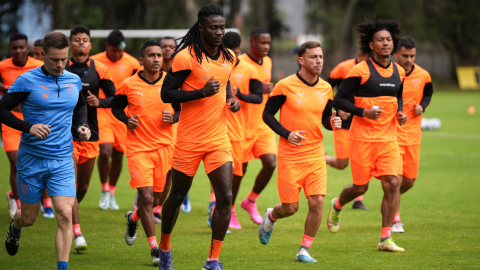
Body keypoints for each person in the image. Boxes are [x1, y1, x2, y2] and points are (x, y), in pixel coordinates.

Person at [159, 4, 240, 269]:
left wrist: (230, 99)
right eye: (214, 27)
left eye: (222, 27)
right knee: (177, 195)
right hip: (189, 141)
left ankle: (213, 259)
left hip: (218, 138)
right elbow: (166, 94)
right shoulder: (186, 58)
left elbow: (224, 78)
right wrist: (200, 93)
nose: (219, 32)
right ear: (201, 27)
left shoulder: (228, 57)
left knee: (225, 197)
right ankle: (165, 249)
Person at [1, 31, 90, 270]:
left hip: (62, 158)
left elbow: (81, 105)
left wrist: (82, 125)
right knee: (28, 218)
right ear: (42, 56)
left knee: (64, 213)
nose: (60, 65)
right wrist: (28, 127)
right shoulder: (26, 81)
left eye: (63, 59)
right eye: (54, 60)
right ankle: (15, 227)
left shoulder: (73, 80)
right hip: (32, 160)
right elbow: (2, 109)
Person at [326, 18, 408, 252]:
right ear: (371, 45)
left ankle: (385, 238)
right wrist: (363, 112)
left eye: (388, 40)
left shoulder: (399, 71)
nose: (385, 43)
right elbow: (339, 99)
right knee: (360, 188)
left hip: (388, 139)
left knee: (392, 182)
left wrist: (400, 112)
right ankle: (338, 204)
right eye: (380, 40)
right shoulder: (359, 71)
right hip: (362, 139)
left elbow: (398, 96)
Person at [260, 41, 341, 262]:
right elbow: (267, 115)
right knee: (290, 208)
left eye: (321, 57)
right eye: (314, 57)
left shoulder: (326, 88)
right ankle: (271, 215)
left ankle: (304, 250)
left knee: (317, 202)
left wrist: (333, 122)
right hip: (290, 154)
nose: (319, 61)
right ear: (302, 60)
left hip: (315, 153)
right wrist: (287, 134)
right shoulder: (285, 85)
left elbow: (324, 118)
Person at [111, 40, 179, 265]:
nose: (157, 59)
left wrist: (174, 117)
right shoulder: (128, 84)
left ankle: (133, 218)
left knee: (157, 200)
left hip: (165, 148)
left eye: (159, 55)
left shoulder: (171, 83)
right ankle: (154, 248)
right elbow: (116, 107)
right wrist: (126, 119)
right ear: (141, 61)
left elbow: (182, 108)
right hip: (138, 148)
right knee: (147, 198)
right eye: (151, 55)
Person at [64, 25, 117, 252]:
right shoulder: (60, 67)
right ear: (70, 44)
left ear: (90, 44)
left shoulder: (100, 69)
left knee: (83, 187)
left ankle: (66, 210)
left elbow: (116, 97)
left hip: (91, 134)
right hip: (65, 135)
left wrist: (100, 102)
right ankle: (76, 231)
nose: (81, 43)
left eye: (85, 39)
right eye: (77, 40)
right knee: (71, 184)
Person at [91, 30, 141, 210]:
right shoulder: (94, 61)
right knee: (104, 151)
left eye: (120, 50)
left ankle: (112, 191)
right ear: (107, 47)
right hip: (102, 112)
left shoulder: (132, 63)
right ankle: (104, 188)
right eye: (114, 50)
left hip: (122, 114)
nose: (118, 54)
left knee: (119, 154)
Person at [222, 31, 263, 229]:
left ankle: (228, 210)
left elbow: (258, 97)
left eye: (237, 53)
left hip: (237, 129)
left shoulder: (248, 69)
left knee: (236, 173)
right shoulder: (213, 67)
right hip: (212, 128)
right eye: (230, 53)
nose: (234, 58)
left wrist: (240, 96)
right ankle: (219, 209)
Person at [0, 34, 44, 219]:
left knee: (36, 163)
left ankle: (18, 195)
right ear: (11, 50)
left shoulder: (37, 65)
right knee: (16, 162)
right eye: (14, 48)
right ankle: (18, 203)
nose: (18, 51)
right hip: (10, 121)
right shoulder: (2, 66)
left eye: (21, 47)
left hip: (34, 121)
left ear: (27, 49)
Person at [392, 37, 433, 233]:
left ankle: (390, 199)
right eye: (405, 55)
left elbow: (428, 93)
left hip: (414, 137)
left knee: (409, 181)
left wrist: (422, 107)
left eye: (412, 56)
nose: (409, 59)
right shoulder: (389, 75)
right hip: (393, 136)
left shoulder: (423, 75)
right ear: (396, 54)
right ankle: (395, 218)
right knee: (397, 178)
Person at [237, 27, 277, 225]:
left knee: (270, 164)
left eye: (268, 43)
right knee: (239, 171)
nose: (266, 47)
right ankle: (229, 210)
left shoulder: (268, 62)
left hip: (263, 124)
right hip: (243, 125)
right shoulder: (241, 62)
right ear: (252, 42)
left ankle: (251, 200)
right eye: (263, 43)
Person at [325, 50, 371, 210]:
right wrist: (338, 107)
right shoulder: (343, 68)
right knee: (342, 163)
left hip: (363, 121)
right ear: (360, 54)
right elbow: (323, 89)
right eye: (368, 56)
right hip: (343, 122)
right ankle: (324, 158)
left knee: (363, 161)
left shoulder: (374, 71)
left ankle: (358, 199)